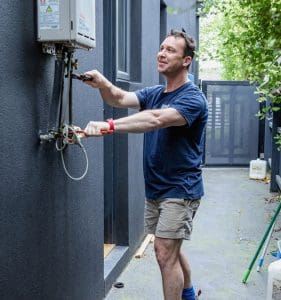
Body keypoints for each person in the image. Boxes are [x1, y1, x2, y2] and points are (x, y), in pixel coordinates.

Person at [82, 29, 208, 300]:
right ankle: (188, 295)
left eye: (171, 50)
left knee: (164, 252)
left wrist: (109, 126)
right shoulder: (155, 92)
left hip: (180, 188)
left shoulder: (193, 98)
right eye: (161, 48)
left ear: (186, 60)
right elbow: (118, 97)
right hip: (156, 188)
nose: (161, 53)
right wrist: (103, 83)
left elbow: (155, 120)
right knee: (169, 249)